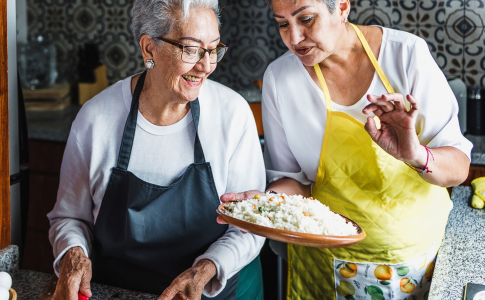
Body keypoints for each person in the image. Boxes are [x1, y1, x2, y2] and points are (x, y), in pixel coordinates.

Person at [220, 0, 473, 299]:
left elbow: (458, 168)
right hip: (323, 263)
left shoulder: (406, 55)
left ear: (341, 7)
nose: (295, 38)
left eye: (307, 19)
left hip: (414, 261)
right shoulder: (280, 79)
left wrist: (416, 154)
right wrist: (266, 206)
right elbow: (293, 183)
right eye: (283, 24)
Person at [47, 1, 266, 299]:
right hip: (118, 291)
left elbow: (249, 223)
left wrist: (205, 268)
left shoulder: (233, 115)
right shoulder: (96, 119)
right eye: (191, 49)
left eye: (213, 49)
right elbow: (70, 217)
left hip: (210, 293)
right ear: (149, 48)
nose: (206, 65)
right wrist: (73, 254)